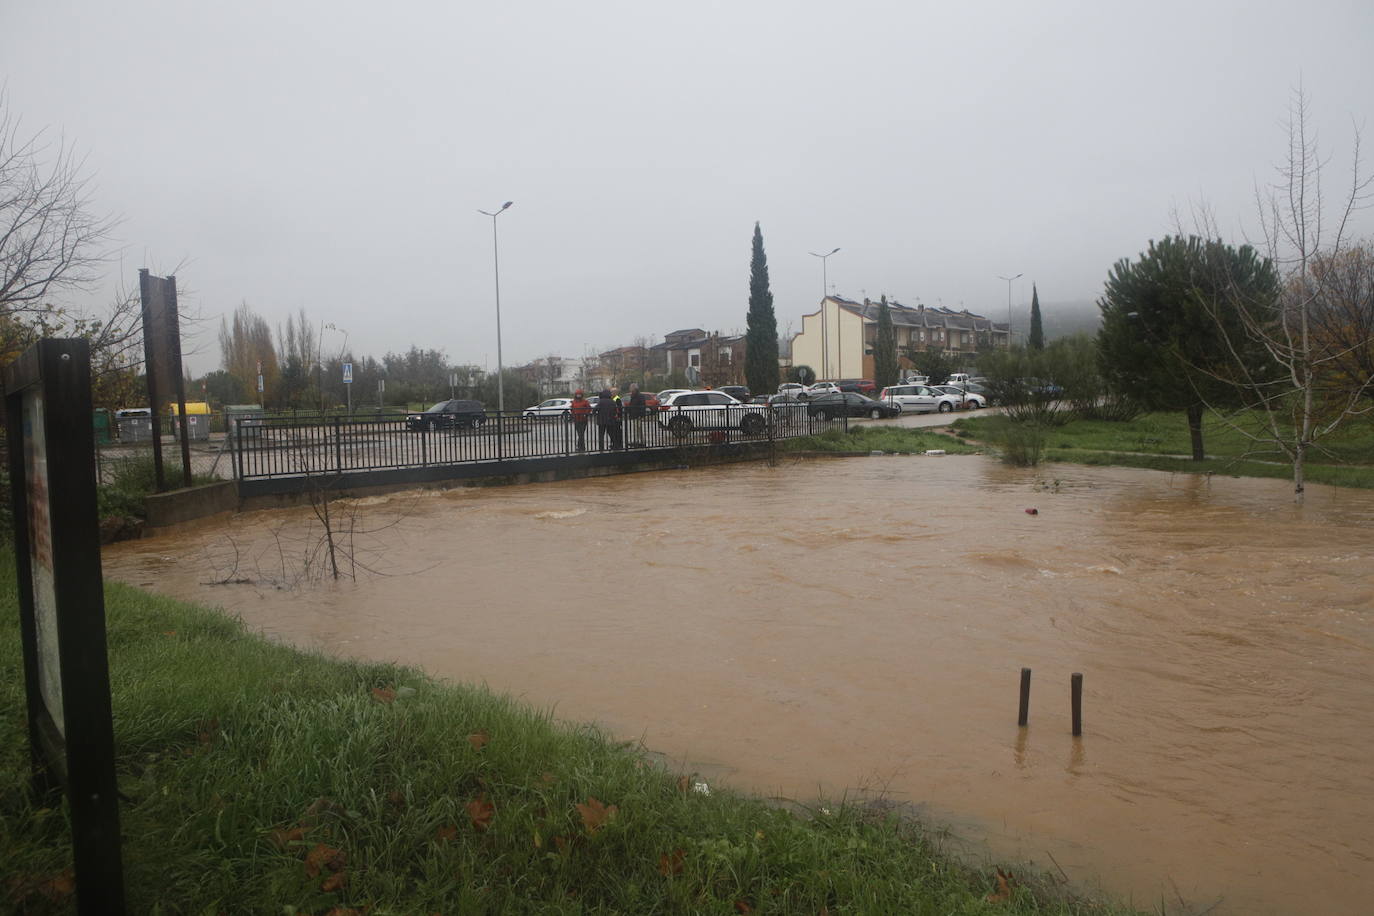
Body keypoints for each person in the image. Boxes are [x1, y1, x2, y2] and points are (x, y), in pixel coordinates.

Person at [625, 382, 648, 447]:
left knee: (637, 428)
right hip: (634, 414)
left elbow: (642, 406)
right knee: (637, 428)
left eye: (630, 387)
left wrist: (641, 415)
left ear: (634, 388)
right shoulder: (633, 395)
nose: (629, 389)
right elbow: (631, 405)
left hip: (637, 415)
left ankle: (638, 441)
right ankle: (640, 441)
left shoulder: (639, 396)